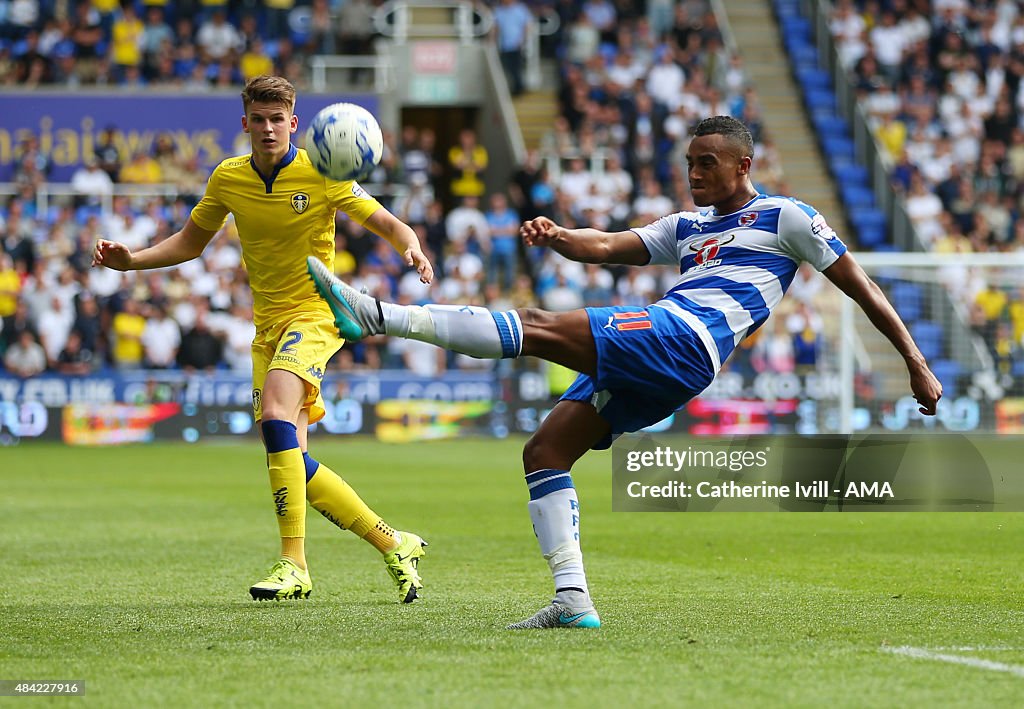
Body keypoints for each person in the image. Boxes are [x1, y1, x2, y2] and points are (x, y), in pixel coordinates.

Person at [307, 116, 943, 629]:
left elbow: (861, 287)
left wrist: (914, 361)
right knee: (546, 449)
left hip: (684, 337)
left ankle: (377, 315)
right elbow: (610, 245)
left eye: (708, 163)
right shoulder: (687, 226)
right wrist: (558, 236)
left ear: (744, 165)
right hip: (669, 353)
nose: (694, 174)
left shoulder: (788, 218)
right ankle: (572, 599)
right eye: (690, 163)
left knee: (535, 325)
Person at [93, 75, 435, 604]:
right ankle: (394, 542)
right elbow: (190, 241)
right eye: (260, 119)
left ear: (294, 123)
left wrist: (412, 248)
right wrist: (132, 261)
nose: (269, 128)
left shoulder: (323, 173)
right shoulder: (228, 178)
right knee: (289, 456)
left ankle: (294, 564)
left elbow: (388, 223)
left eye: (279, 119)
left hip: (317, 312)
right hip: (267, 326)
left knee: (276, 414)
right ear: (246, 123)